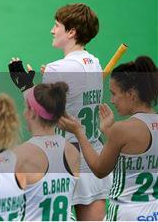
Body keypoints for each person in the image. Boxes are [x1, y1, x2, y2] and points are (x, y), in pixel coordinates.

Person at [9, 3, 109, 220]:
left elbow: (42, 112)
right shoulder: (95, 62)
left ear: (71, 32)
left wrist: (26, 86)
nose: (52, 30)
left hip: (66, 158)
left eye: (57, 26)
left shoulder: (59, 68)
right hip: (94, 153)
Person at [59, 56, 158, 221]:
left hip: (125, 213)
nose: (111, 100)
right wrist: (108, 131)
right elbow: (132, 150)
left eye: (114, 93)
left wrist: (78, 132)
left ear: (131, 94)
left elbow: (99, 169)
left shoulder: (123, 129)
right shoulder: (123, 131)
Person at [13, 82, 80, 221]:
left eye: (26, 108)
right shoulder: (72, 152)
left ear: (31, 112)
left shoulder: (20, 154)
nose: (24, 112)